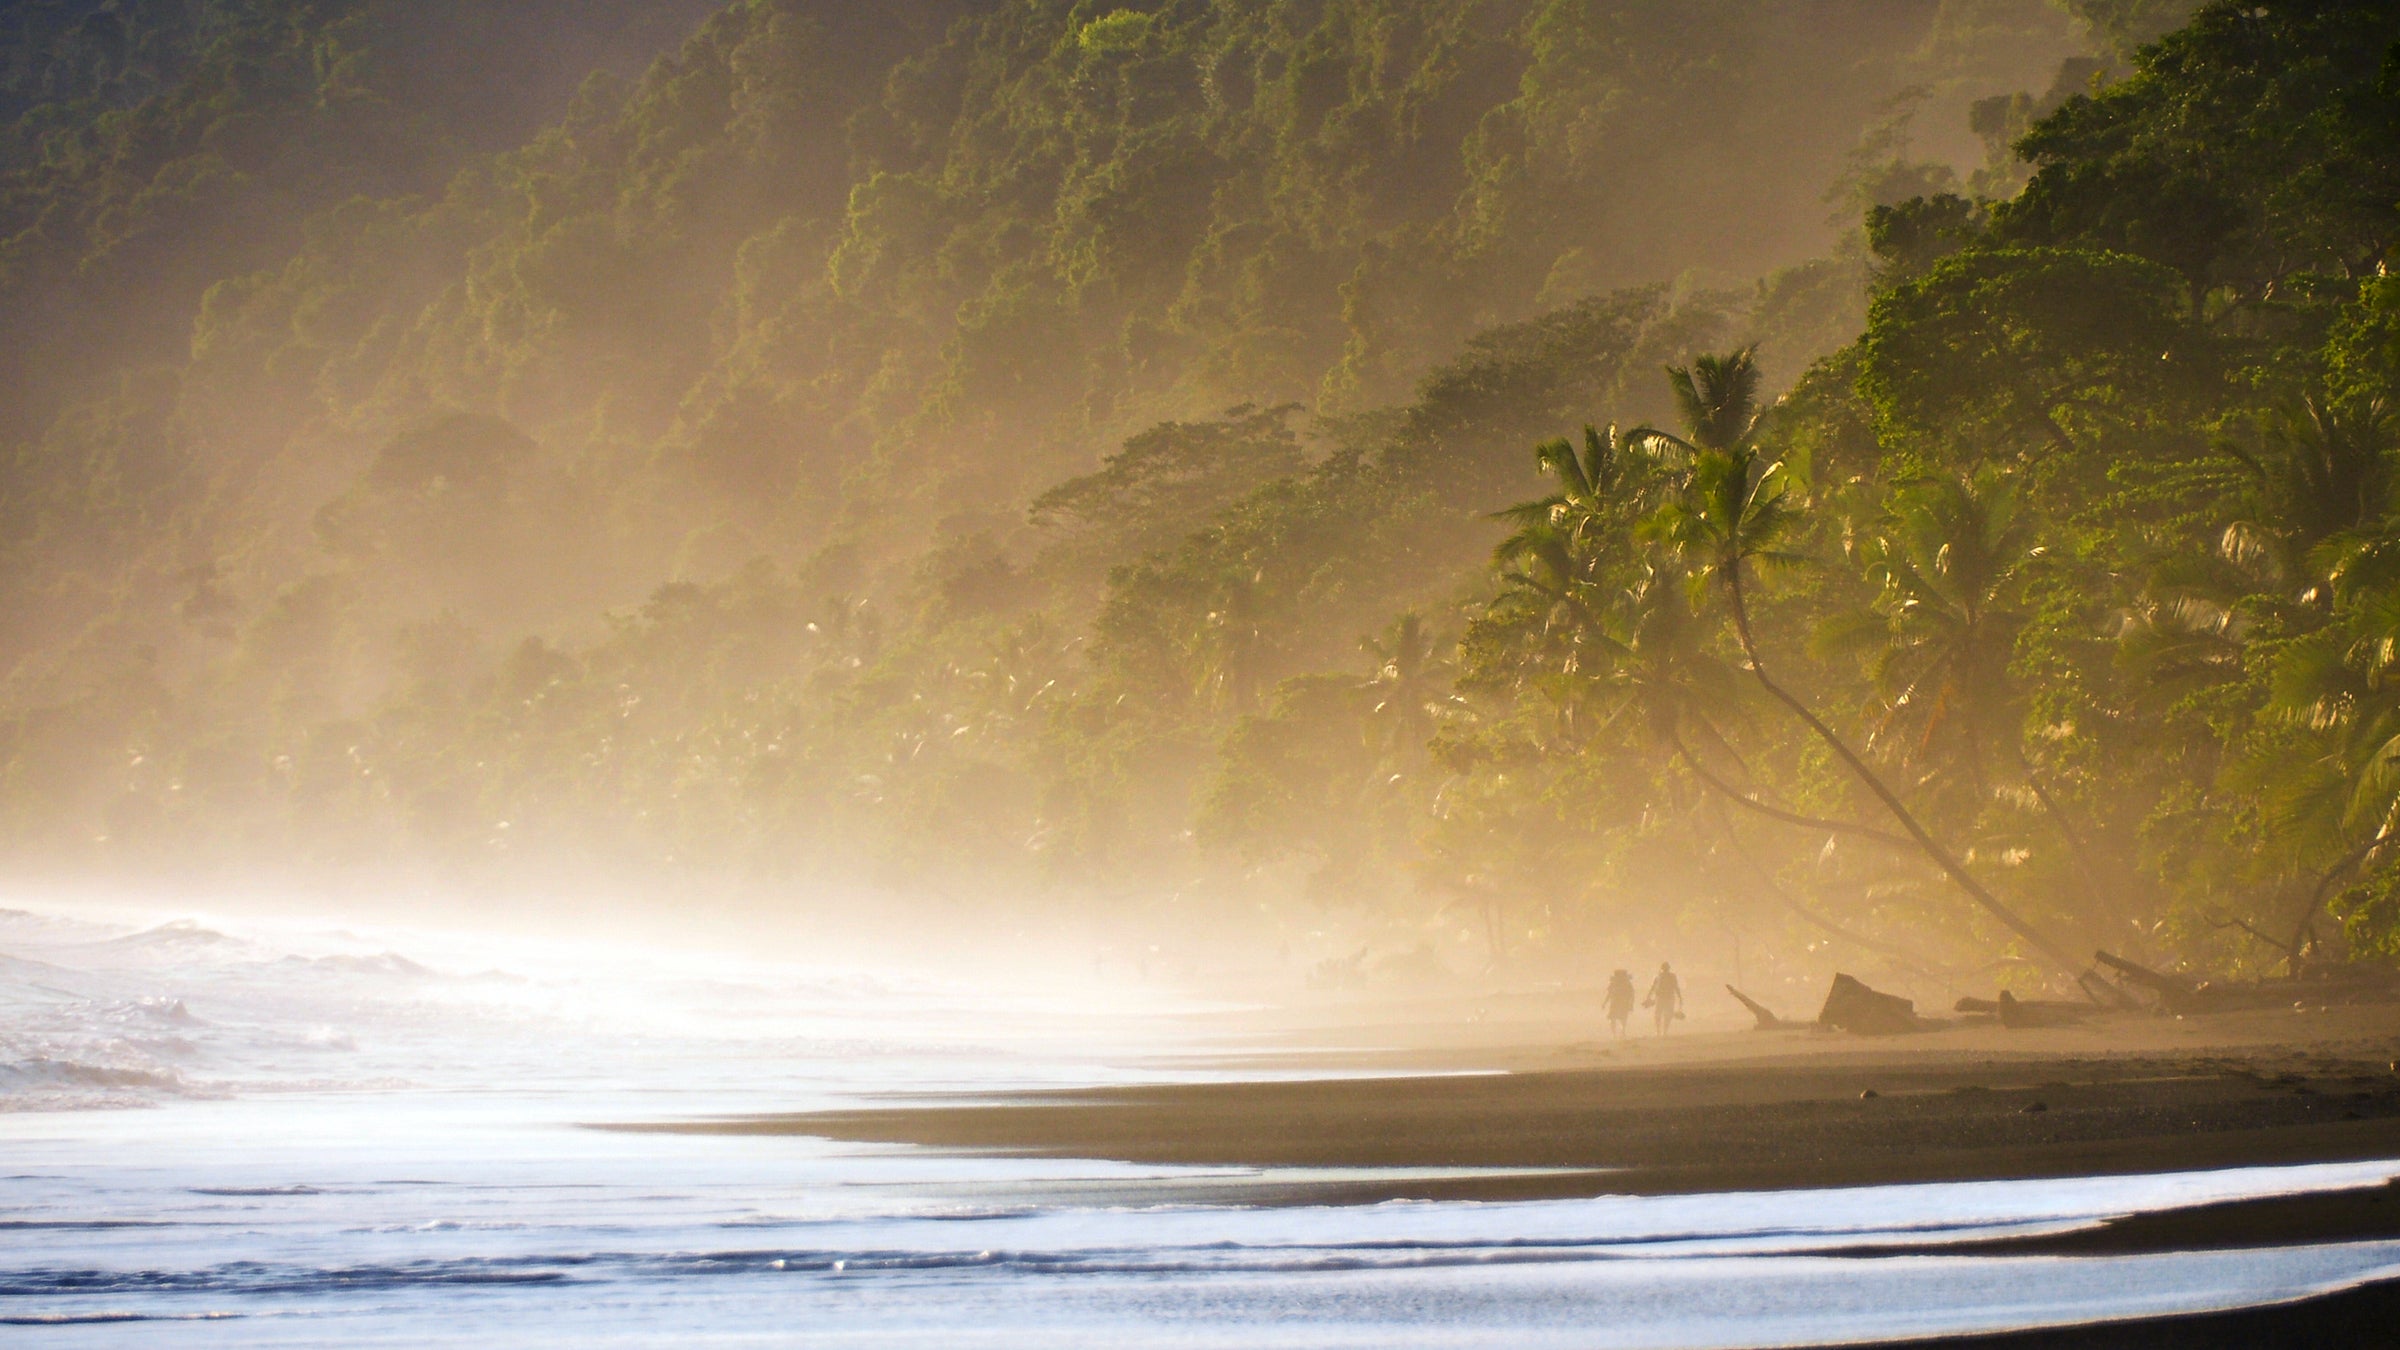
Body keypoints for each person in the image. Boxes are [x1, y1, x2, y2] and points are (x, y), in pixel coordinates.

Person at [1643, 961, 1682, 1036]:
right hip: (1668, 997)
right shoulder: (1671, 976)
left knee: (1658, 1014)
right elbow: (1676, 987)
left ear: (1662, 968)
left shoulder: (1658, 976)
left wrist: (1648, 997)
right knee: (1667, 1015)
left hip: (1661, 998)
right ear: (1668, 968)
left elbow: (1653, 987)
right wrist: (1680, 997)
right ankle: (1664, 1031)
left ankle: (1659, 1031)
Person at [1603, 969, 1637, 1039]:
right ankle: (1622, 1032)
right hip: (1623, 1002)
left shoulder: (1614, 982)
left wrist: (1604, 1003)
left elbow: (1609, 994)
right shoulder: (1627, 983)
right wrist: (1631, 1004)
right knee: (1623, 1018)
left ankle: (1615, 1034)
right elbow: (1632, 994)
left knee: (1613, 1018)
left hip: (1615, 1002)